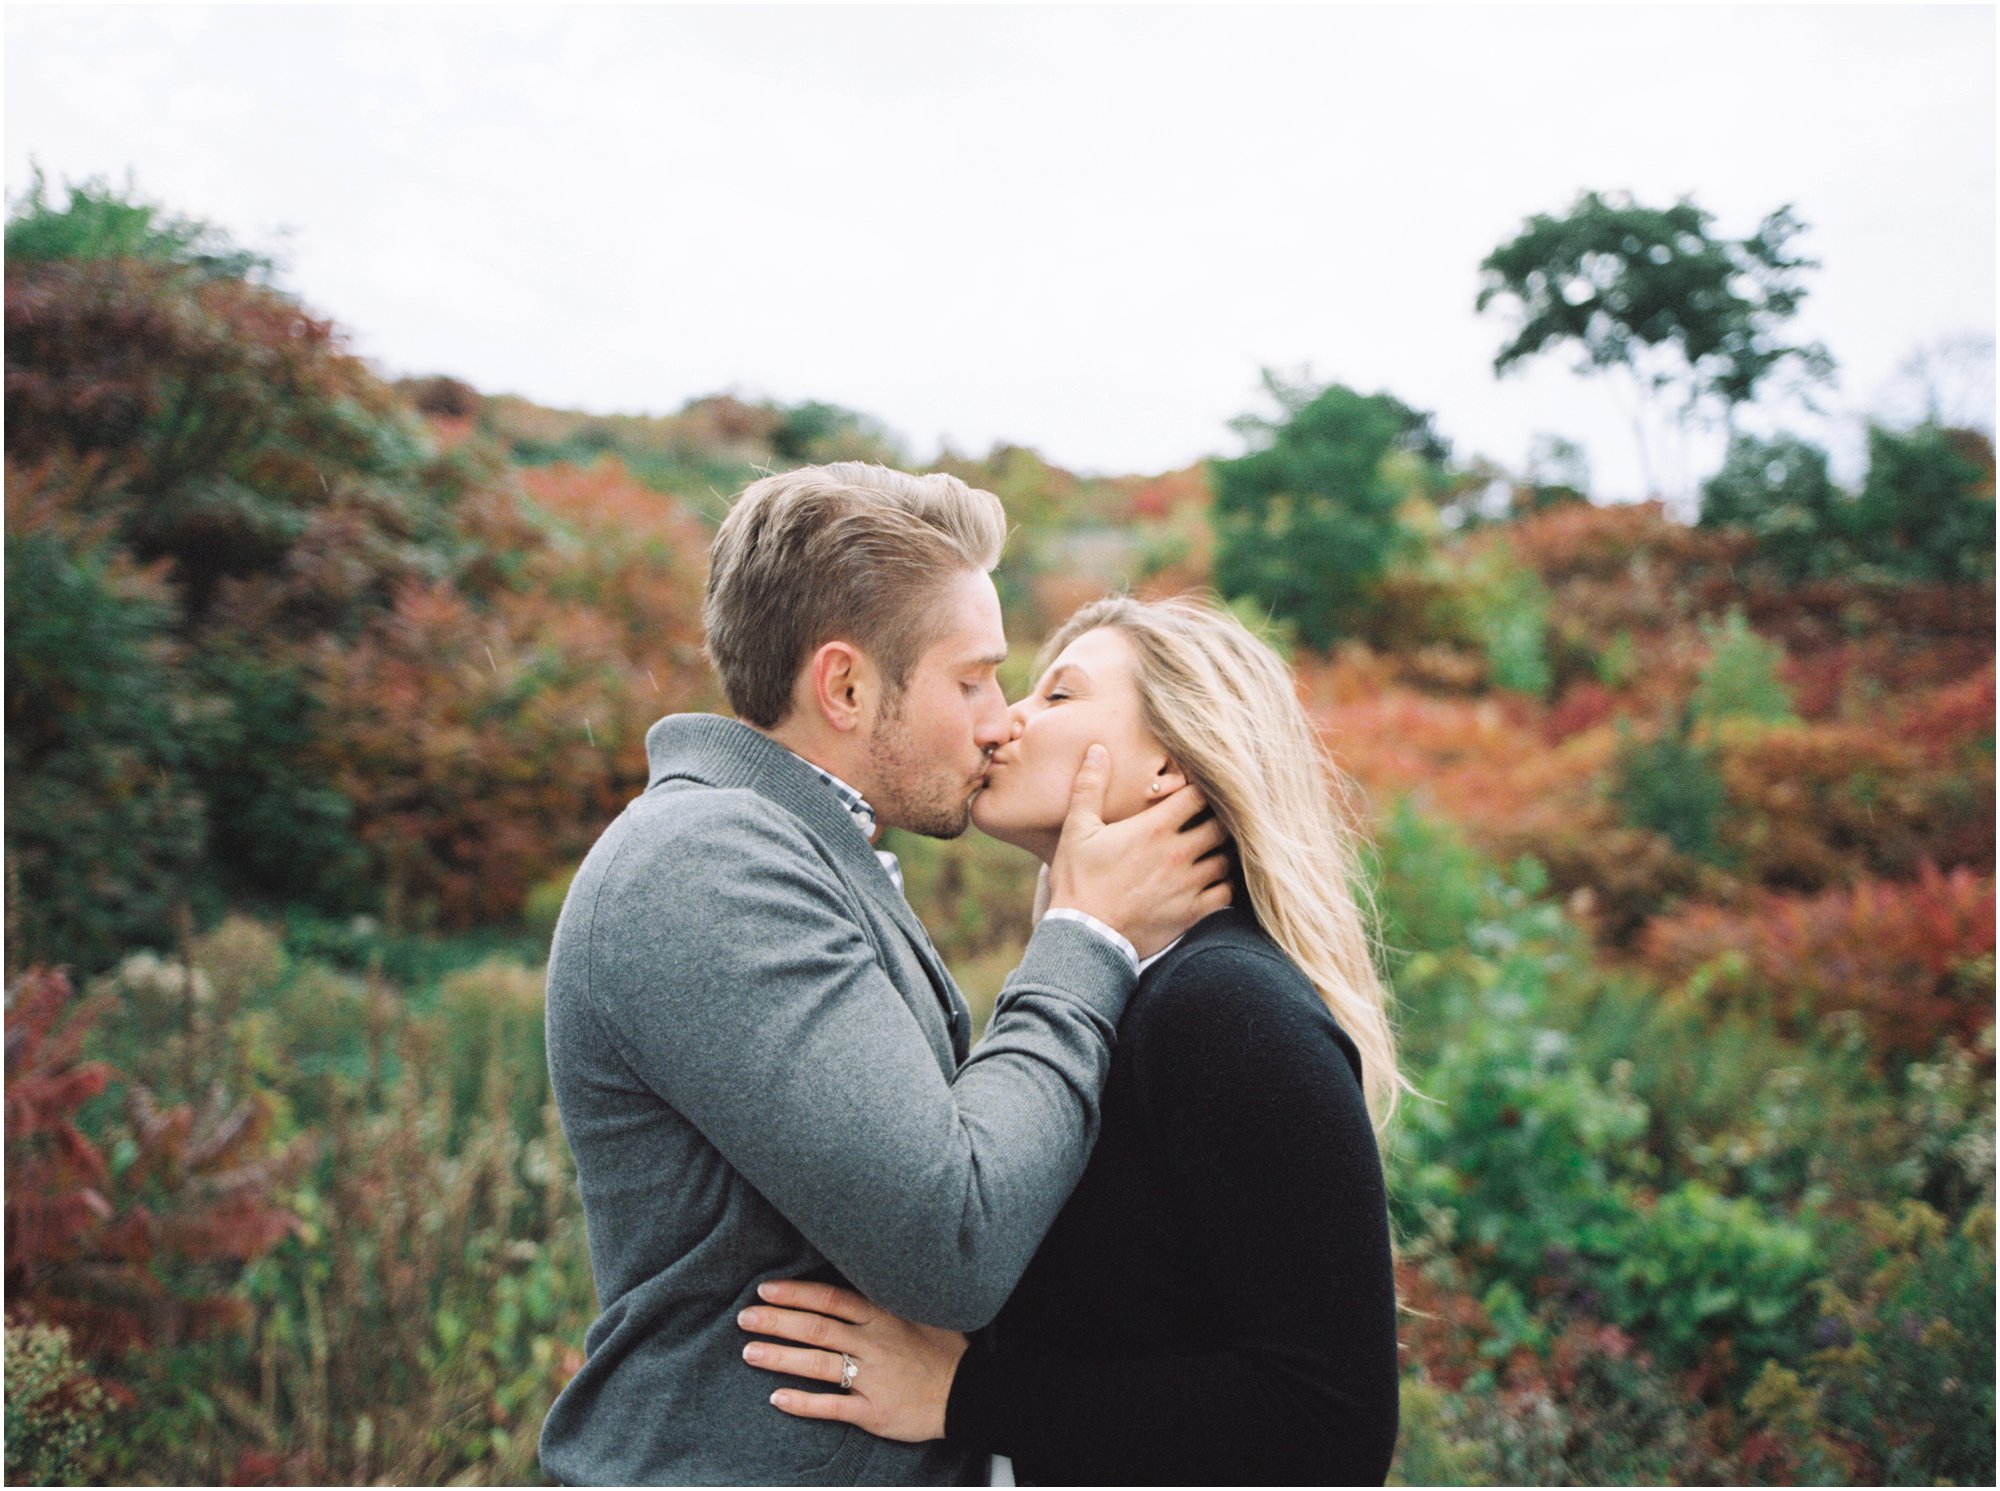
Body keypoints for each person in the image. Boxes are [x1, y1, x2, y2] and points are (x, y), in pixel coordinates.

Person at [538, 466, 1233, 1485]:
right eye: (972, 680)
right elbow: (951, 1237)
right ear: (847, 686)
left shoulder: (799, 852)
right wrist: (1086, 934)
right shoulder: (707, 863)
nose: (1000, 720)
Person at [738, 594, 1405, 1485]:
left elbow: (1333, 1424)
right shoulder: (1125, 993)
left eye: (1057, 696)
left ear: (1170, 764)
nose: (1003, 721)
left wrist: (964, 1393)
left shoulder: (1228, 1008)